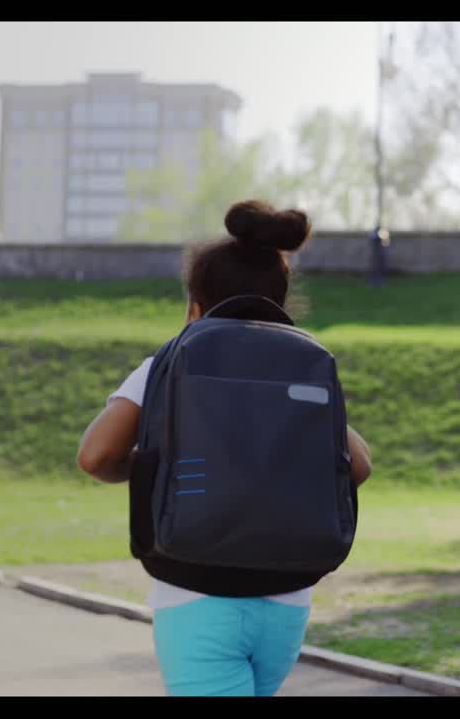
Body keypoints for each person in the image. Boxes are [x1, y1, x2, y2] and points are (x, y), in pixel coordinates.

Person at [75, 199, 373, 697]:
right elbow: (358, 464)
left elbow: (96, 456)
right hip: (287, 594)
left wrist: (154, 465)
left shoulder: (167, 364)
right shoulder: (303, 363)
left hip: (195, 590)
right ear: (281, 302)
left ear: (195, 307)